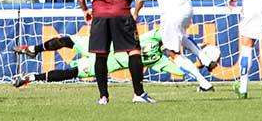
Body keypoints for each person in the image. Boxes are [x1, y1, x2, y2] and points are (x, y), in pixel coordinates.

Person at [11, 28, 184, 87]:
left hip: (108, 63)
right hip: (103, 45)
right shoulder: (155, 36)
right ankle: (34, 49)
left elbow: (181, 71)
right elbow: (170, 29)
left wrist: (202, 63)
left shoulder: (159, 60)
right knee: (66, 40)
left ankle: (31, 78)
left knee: (71, 73)